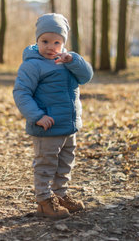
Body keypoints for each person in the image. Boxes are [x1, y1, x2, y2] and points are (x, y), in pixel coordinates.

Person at [13, 13, 93, 219]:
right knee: (46, 164)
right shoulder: (32, 65)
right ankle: (44, 200)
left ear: (64, 43)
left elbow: (86, 77)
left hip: (68, 126)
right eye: (45, 41)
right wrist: (37, 116)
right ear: (37, 40)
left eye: (57, 42)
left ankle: (60, 195)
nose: (51, 46)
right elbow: (21, 93)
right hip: (46, 126)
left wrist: (73, 60)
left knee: (65, 163)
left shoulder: (68, 61)